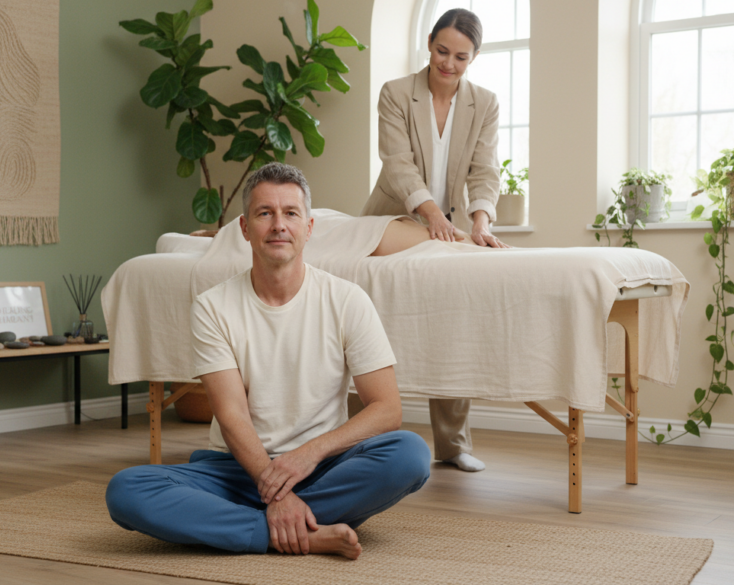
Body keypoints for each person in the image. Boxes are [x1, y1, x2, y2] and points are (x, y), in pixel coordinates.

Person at [106, 163, 431, 559]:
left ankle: (250, 526)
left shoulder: (348, 300)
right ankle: (300, 531)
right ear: (245, 228)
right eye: (265, 213)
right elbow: (231, 415)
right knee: (126, 490)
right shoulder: (213, 307)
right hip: (236, 470)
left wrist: (306, 455)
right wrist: (271, 485)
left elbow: (386, 410)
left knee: (409, 453)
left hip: (320, 467)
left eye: (291, 213)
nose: (279, 225)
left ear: (309, 228)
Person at [361, 8, 505, 473]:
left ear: (474, 57)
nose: (449, 63)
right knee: (367, 329)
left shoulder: (484, 103)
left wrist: (480, 222)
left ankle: (453, 444)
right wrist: (429, 215)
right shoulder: (397, 93)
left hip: (448, 229)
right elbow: (397, 163)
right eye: (442, 51)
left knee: (452, 323)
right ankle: (357, 439)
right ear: (428, 43)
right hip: (394, 222)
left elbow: (485, 170)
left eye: (461, 57)